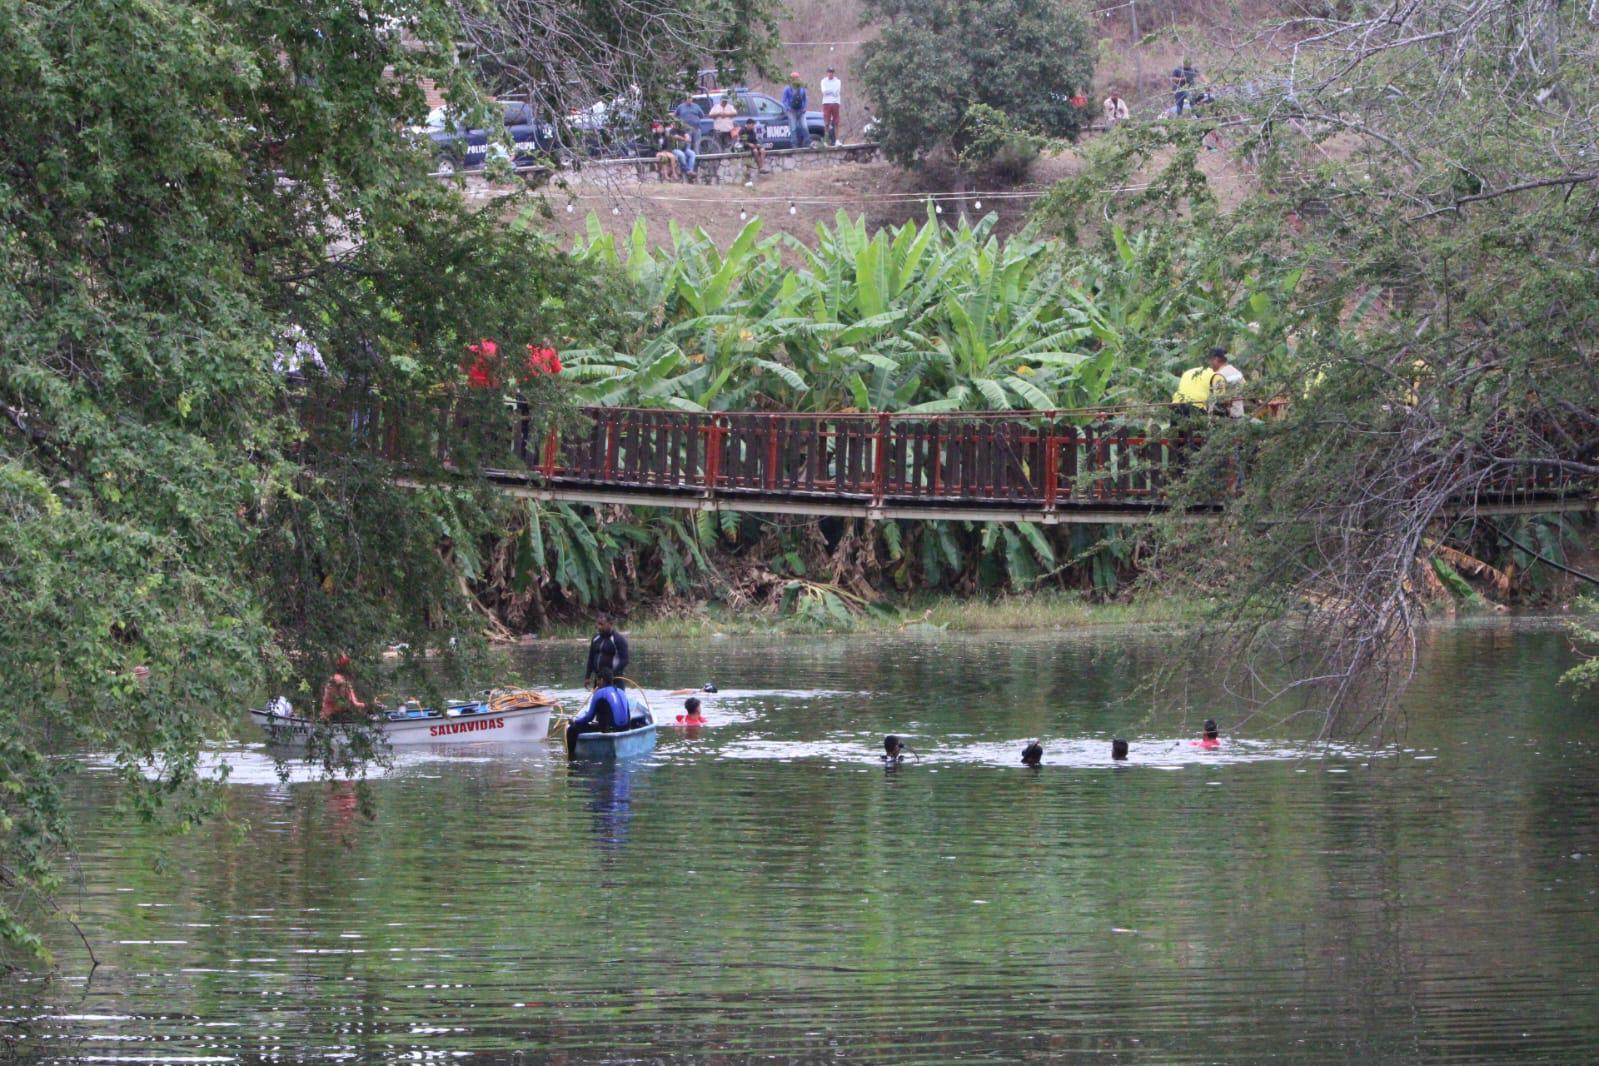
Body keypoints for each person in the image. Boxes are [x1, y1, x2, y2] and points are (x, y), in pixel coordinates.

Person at [567, 676, 632, 757]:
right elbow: (628, 715)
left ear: (601, 679)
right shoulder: (621, 691)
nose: (596, 684)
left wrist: (574, 721)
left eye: (597, 680)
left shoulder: (599, 693)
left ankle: (571, 757)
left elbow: (589, 718)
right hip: (625, 728)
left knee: (572, 729)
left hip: (610, 729)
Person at [584, 613, 630, 687]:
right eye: (598, 624)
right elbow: (591, 658)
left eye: (602, 624)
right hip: (599, 681)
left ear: (610, 624)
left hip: (614, 681)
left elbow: (625, 660)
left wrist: (611, 675)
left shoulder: (618, 639)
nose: (599, 627)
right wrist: (587, 677)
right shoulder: (595, 638)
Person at [320, 655, 367, 721]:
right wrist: (366, 706)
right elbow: (342, 702)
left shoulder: (345, 682)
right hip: (331, 716)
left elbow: (354, 702)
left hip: (337, 714)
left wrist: (366, 705)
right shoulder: (338, 680)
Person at [1206, 346, 1246, 418]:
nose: (1209, 363)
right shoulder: (1237, 372)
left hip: (1226, 419)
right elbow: (1246, 390)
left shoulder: (1219, 375)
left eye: (1210, 360)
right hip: (1239, 415)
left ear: (1216, 359)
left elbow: (1218, 401)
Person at [782, 72, 811, 149]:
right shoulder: (787, 88)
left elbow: (805, 98)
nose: (795, 79)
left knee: (804, 126)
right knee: (793, 128)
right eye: (794, 78)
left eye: (797, 78)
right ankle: (794, 145)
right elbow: (784, 100)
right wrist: (788, 108)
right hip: (791, 111)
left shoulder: (802, 88)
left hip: (801, 110)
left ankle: (807, 143)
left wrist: (805, 107)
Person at [819, 67, 843, 145]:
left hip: (835, 102)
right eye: (829, 72)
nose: (830, 73)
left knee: (836, 122)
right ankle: (826, 141)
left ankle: (837, 140)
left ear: (833, 73)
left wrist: (829, 91)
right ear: (827, 73)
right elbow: (824, 91)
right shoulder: (823, 81)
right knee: (826, 122)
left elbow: (836, 92)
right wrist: (830, 91)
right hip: (826, 103)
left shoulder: (838, 81)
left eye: (832, 72)